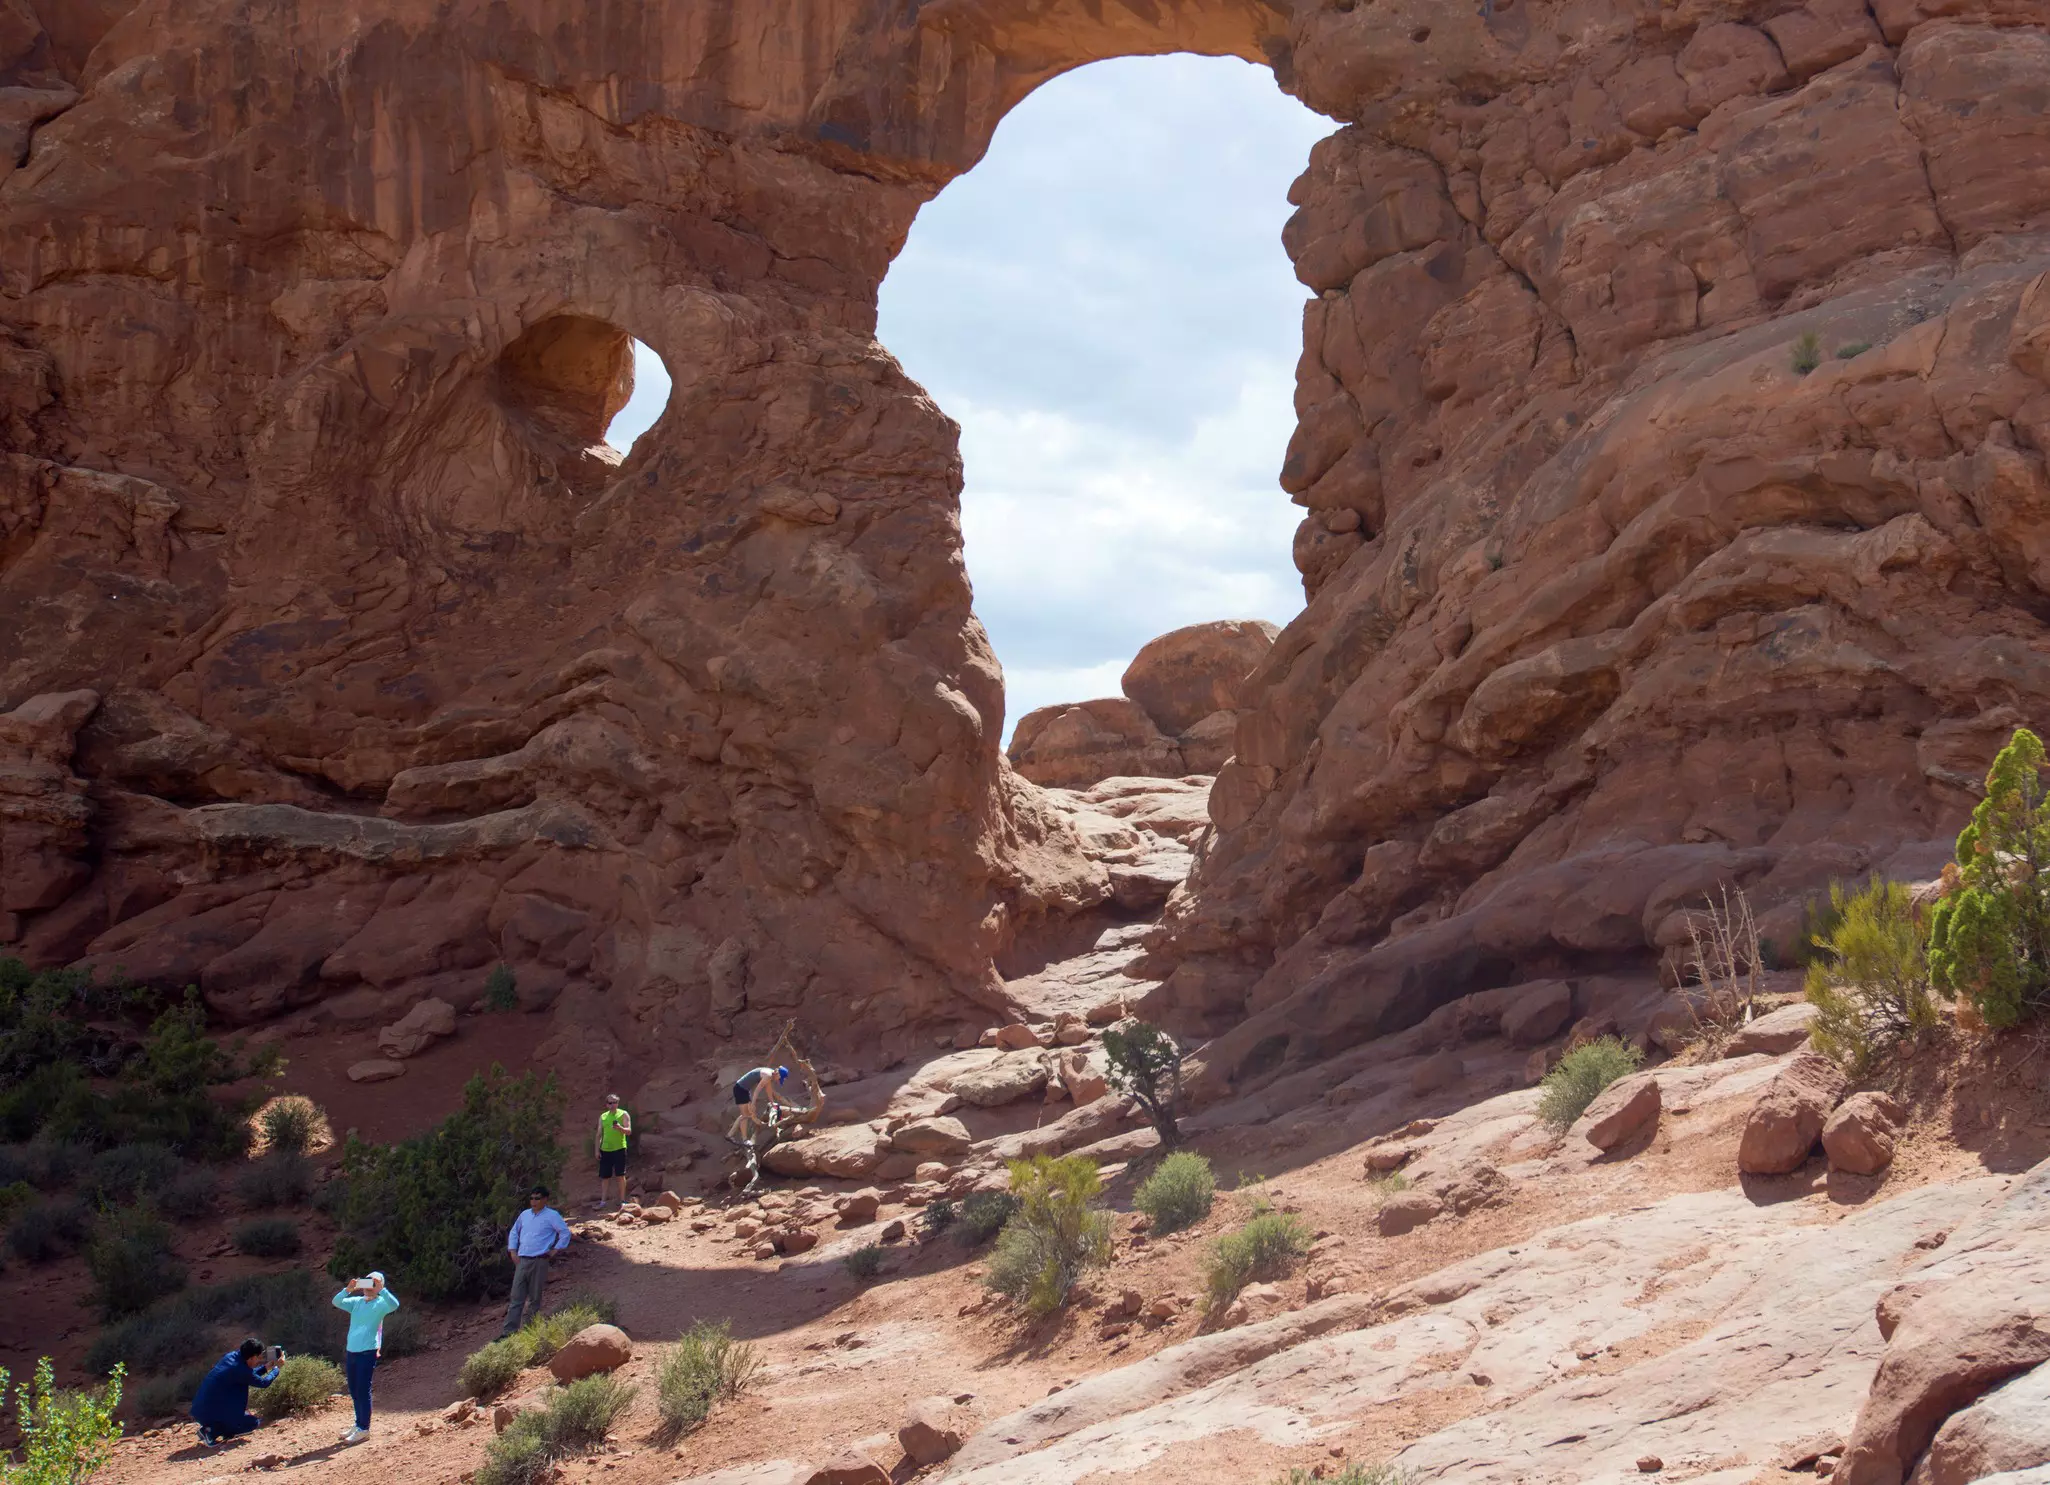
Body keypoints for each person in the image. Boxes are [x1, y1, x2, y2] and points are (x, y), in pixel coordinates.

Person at [332, 1272, 399, 1445]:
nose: (369, 1286)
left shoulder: (381, 1304)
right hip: (351, 1351)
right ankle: (358, 1424)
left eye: (373, 1283)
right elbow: (337, 1302)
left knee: (363, 1389)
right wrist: (348, 1289)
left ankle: (364, 1428)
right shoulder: (356, 1303)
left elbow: (395, 1304)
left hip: (367, 1352)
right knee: (354, 1390)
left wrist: (382, 1290)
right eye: (367, 1282)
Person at [499, 1185, 572, 1338]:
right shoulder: (525, 1215)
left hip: (540, 1261)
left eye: (537, 1198)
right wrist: (513, 1251)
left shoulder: (552, 1215)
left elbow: (564, 1232)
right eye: (531, 1198)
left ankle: (528, 1333)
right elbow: (514, 1231)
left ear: (545, 1199)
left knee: (534, 1299)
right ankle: (508, 1333)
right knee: (516, 1298)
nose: (533, 1201)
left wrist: (555, 1250)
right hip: (522, 1260)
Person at [189, 1338, 279, 1448]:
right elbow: (263, 1383)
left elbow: (248, 1375)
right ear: (252, 1356)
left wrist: (266, 1367)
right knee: (252, 1423)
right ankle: (210, 1432)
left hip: (202, 1409)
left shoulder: (232, 1357)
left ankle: (214, 1428)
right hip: (211, 1412)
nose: (259, 1360)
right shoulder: (240, 1370)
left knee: (241, 1418)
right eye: (259, 1357)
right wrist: (276, 1368)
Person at [727, 1063, 794, 1144]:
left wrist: (773, 1103)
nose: (778, 1080)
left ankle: (735, 1136)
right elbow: (757, 1090)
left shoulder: (770, 1075)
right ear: (778, 1073)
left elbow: (768, 1090)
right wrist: (753, 1104)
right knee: (745, 1115)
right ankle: (737, 1137)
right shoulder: (768, 1075)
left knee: (747, 1114)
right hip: (740, 1089)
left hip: (745, 1090)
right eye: (780, 1078)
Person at [596, 1095, 632, 1210]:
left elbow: (629, 1131)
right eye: (610, 1103)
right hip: (605, 1150)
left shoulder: (623, 1114)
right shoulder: (603, 1117)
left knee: (620, 1175)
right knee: (605, 1177)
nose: (613, 1105)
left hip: (619, 1149)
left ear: (618, 1103)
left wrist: (620, 1128)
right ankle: (603, 1202)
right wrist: (597, 1149)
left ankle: (622, 1201)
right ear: (606, 1105)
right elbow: (599, 1134)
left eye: (615, 1102)